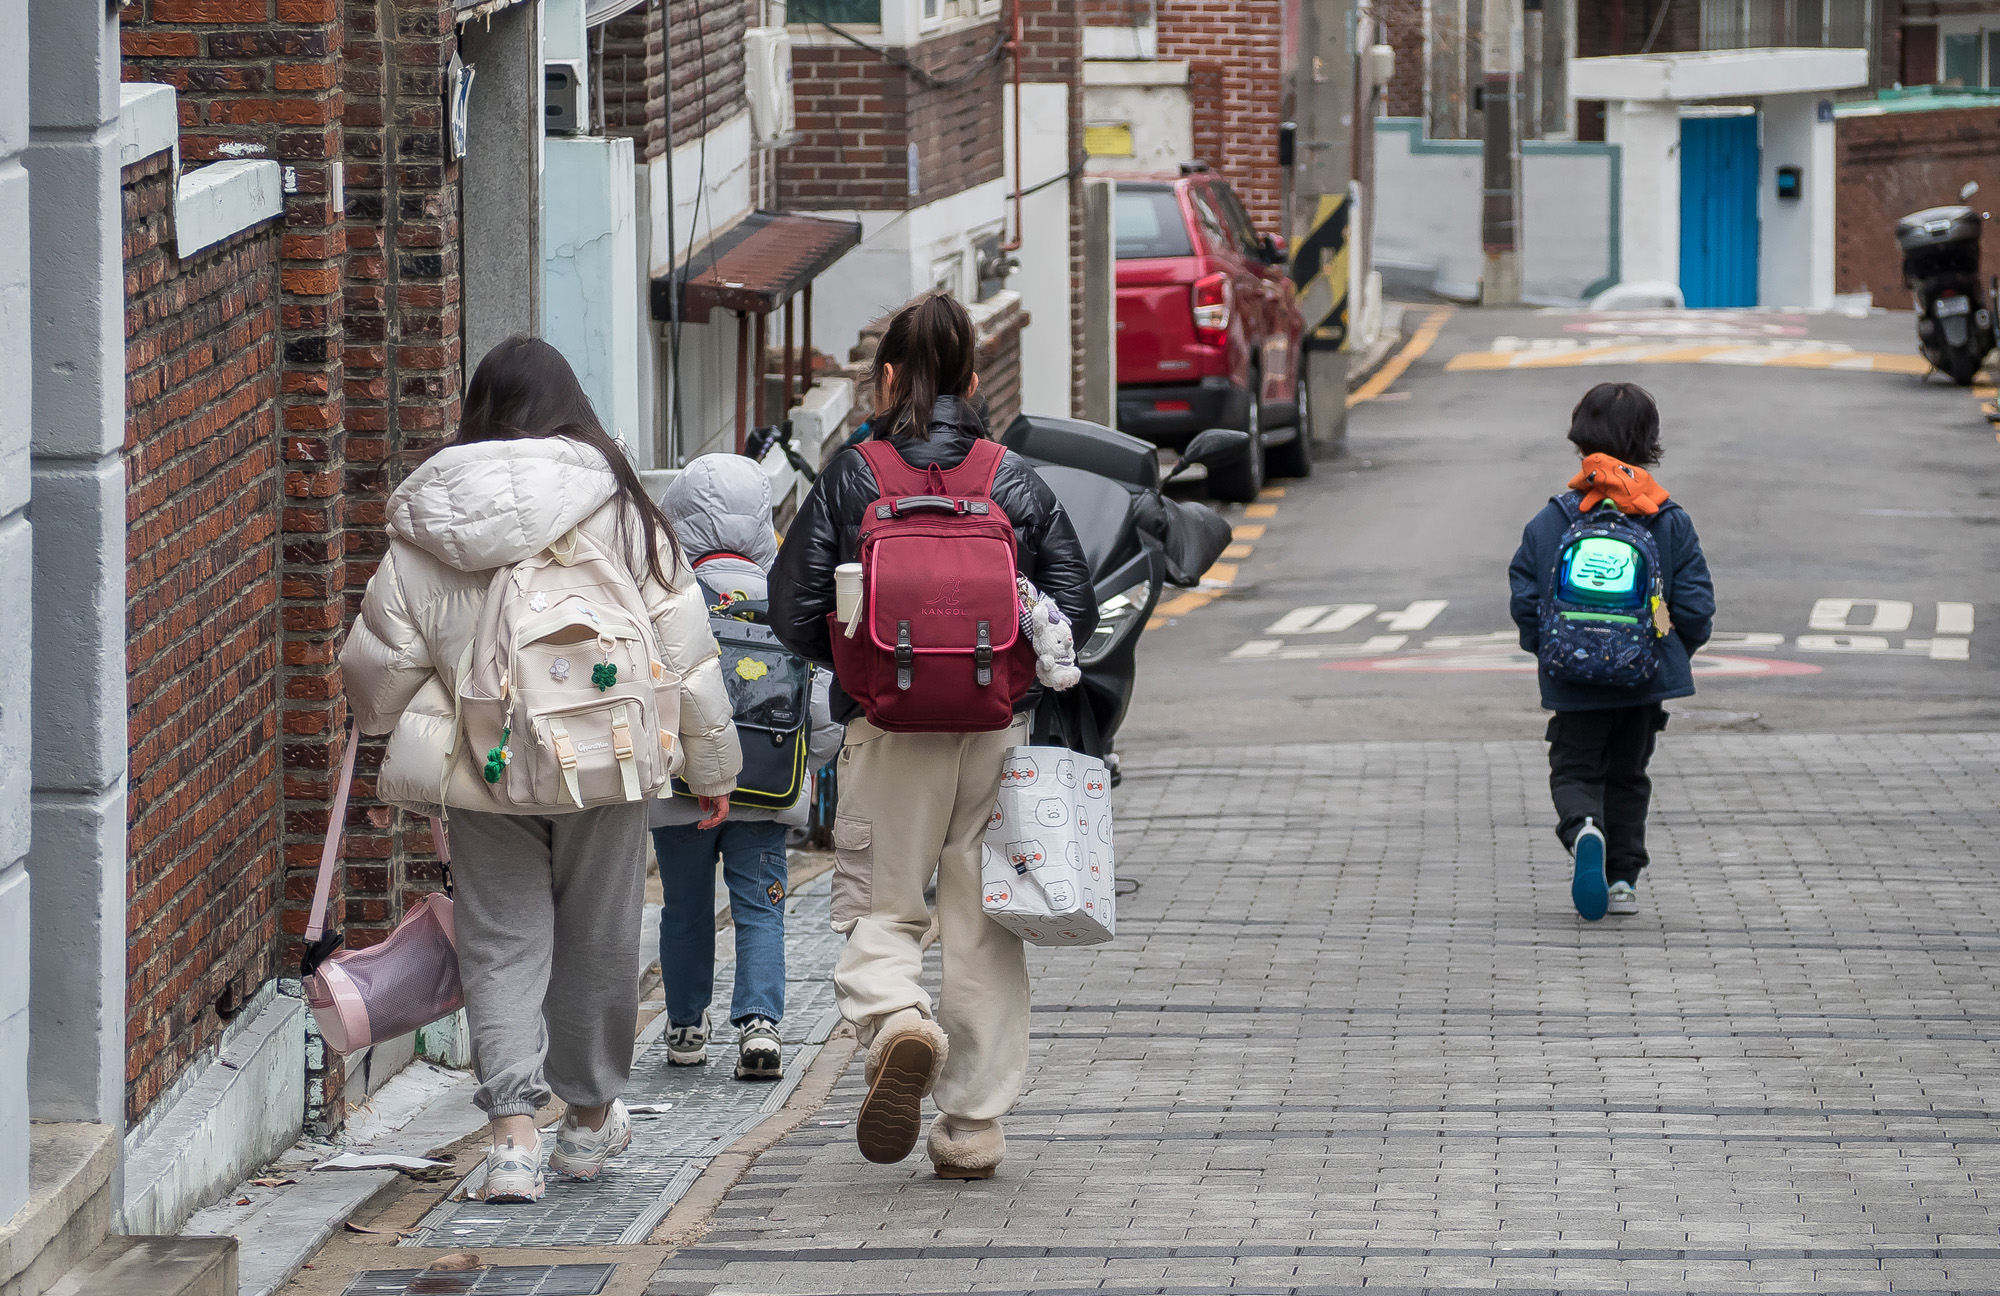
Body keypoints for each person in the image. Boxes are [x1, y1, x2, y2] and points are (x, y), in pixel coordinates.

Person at [342, 337, 743, 1203]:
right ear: (574, 409)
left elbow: (376, 688)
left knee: (500, 944)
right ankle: (590, 1122)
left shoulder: (430, 520)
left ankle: (513, 1138)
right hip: (610, 761)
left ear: (478, 412)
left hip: (488, 770)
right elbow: (687, 655)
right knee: (601, 938)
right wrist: (713, 765)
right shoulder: (627, 508)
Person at [768, 292, 1096, 1180]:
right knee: (983, 922)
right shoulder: (1012, 477)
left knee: (881, 904)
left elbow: (791, 605)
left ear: (885, 377)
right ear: (972, 380)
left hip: (888, 729)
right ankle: (972, 1129)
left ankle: (897, 1022)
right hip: (994, 732)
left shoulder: (854, 475)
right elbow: (1077, 605)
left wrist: (864, 664)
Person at [649, 455, 844, 1081]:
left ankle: (684, 1025)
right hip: (765, 786)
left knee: (684, 908)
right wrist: (807, 760)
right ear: (762, 520)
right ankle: (760, 1024)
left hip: (682, 785)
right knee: (761, 905)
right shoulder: (786, 599)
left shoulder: (669, 600)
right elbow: (822, 701)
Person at [1508, 381, 1714, 921]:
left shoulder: (1553, 519)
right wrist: (1668, 651)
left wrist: (1549, 648)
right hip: (1644, 679)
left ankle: (1584, 830)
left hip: (1572, 678)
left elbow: (1525, 595)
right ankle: (1623, 879)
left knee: (1574, 767)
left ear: (1580, 441)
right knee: (1628, 774)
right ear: (1650, 444)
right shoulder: (1668, 519)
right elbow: (1694, 607)